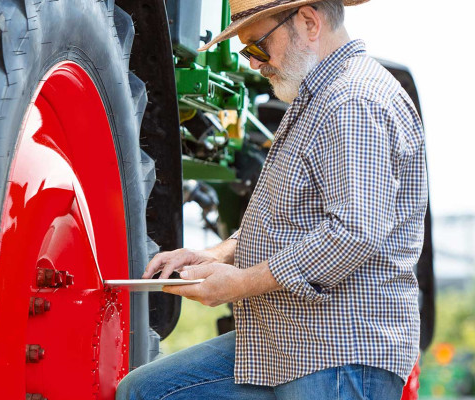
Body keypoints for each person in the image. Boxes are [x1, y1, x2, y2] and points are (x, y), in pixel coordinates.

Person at [116, 0, 427, 398]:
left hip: (337, 354)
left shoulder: (353, 100)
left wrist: (240, 284)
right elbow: (286, 221)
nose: (253, 64)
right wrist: (214, 255)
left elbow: (353, 233)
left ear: (309, 22)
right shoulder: (318, 97)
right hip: (286, 344)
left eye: (257, 47)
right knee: (146, 392)